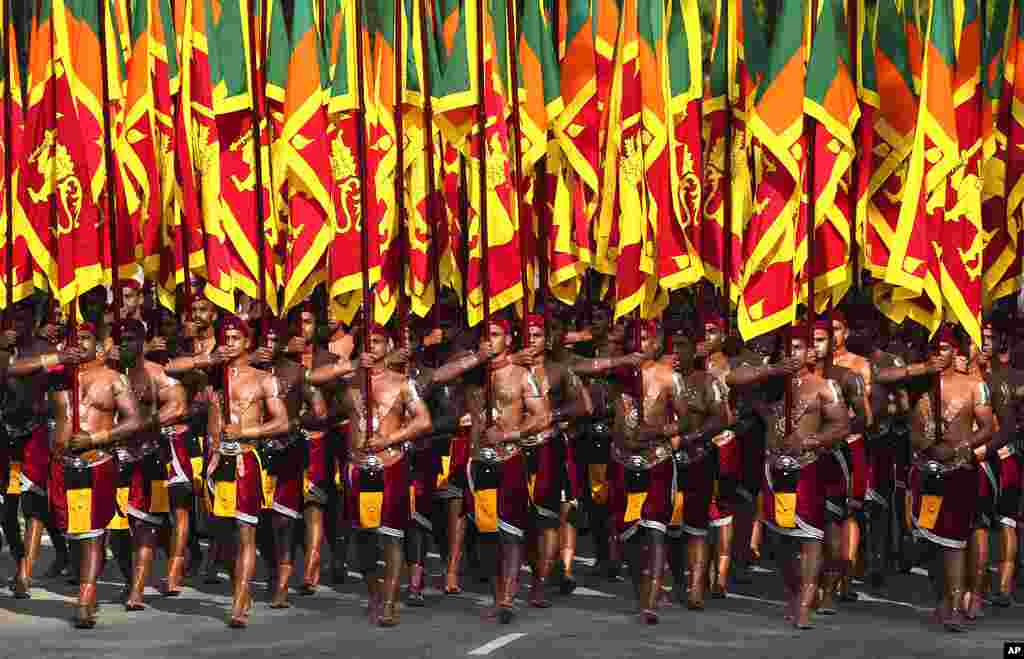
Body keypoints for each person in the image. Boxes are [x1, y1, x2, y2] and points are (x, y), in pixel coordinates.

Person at [745, 326, 849, 629]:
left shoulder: (824, 386)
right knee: (780, 539)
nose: (794, 354)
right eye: (788, 348)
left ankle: (805, 602)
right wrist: (772, 370)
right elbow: (732, 379)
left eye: (799, 347)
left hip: (807, 467)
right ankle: (794, 591)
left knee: (810, 536)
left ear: (810, 352)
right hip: (774, 467)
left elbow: (841, 426)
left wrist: (811, 442)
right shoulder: (771, 383)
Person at [50, 322, 144, 628]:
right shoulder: (57, 377)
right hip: (62, 466)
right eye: (73, 339)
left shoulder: (113, 378)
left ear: (100, 347)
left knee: (93, 535)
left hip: (96, 462)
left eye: (86, 339)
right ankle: (85, 585)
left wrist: (95, 438)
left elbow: (133, 422)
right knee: (75, 535)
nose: (78, 344)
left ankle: (85, 597)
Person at [340, 322, 432, 627]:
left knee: (391, 538)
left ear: (388, 345)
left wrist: (390, 440)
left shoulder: (403, 383)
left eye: (377, 342)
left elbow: (423, 421)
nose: (372, 348)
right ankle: (374, 594)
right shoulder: (349, 382)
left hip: (390, 465)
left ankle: (391, 601)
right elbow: (313, 380)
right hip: (357, 466)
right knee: (363, 538)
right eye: (366, 343)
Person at [465, 317, 552, 624]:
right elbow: (437, 377)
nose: (489, 340)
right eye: (484, 336)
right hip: (479, 461)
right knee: (487, 534)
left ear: (509, 339)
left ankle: (508, 599)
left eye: (496, 335)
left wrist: (510, 434)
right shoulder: (471, 372)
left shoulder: (521, 375)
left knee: (511, 532)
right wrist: (478, 358)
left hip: (511, 457)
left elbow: (542, 417)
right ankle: (496, 594)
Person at [205, 315, 290, 628]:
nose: (229, 344)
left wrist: (247, 433)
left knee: (245, 534)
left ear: (247, 343)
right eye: (225, 339)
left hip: (245, 461)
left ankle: (240, 600)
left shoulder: (262, 378)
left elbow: (282, 421)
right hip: (217, 462)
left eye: (235, 339)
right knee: (221, 536)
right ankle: (239, 587)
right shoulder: (213, 378)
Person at [908, 327, 995, 632]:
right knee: (929, 543)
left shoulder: (975, 386)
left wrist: (959, 448)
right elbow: (913, 429)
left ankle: (957, 605)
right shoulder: (919, 385)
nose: (938, 354)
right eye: (933, 349)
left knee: (954, 542)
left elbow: (987, 428)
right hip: (925, 472)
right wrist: (927, 447)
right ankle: (942, 599)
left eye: (944, 348)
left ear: (956, 351)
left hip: (959, 472)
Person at [513, 313, 592, 605]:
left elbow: (584, 405)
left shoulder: (559, 370)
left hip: (548, 447)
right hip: (515, 448)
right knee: (521, 519)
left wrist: (554, 416)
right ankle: (543, 569)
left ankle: (541, 582)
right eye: (525, 336)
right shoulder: (506, 369)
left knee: (547, 518)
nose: (530, 342)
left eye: (535, 336)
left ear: (546, 340)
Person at [110, 319, 190, 607]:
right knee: (115, 532)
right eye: (119, 340)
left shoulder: (156, 374)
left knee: (145, 526)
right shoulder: (108, 374)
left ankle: (137, 591)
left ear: (142, 342)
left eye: (130, 340)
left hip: (148, 457)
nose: (124, 345)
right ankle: (131, 580)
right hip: (114, 458)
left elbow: (178, 404)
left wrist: (146, 423)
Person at [7, 298, 81, 596]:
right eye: (12, 321)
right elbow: (11, 369)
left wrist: (64, 356)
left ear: (35, 322)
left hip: (39, 436)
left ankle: (25, 573)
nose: (17, 327)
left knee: (36, 505)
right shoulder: (9, 352)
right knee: (10, 512)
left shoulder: (46, 349)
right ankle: (43, 557)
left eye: (23, 321)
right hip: (8, 435)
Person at [667, 332, 731, 609]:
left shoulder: (708, 382)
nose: (675, 353)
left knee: (696, 527)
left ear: (694, 350)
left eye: (682, 347)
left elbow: (721, 419)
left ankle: (695, 588)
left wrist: (689, 439)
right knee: (666, 527)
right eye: (671, 348)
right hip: (662, 462)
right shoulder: (657, 379)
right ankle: (676, 582)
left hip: (698, 460)